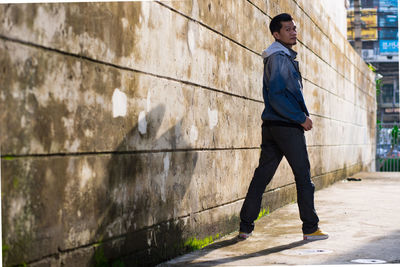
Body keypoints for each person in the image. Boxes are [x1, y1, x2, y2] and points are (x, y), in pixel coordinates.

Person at [238, 13, 329, 241]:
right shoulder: (279, 58)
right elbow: (278, 96)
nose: (293, 32)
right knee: (303, 177)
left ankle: (245, 227)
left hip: (271, 126)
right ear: (276, 34)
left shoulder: (278, 56)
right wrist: (300, 118)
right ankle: (310, 228)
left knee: (262, 176)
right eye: (287, 29)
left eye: (294, 28)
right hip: (286, 126)